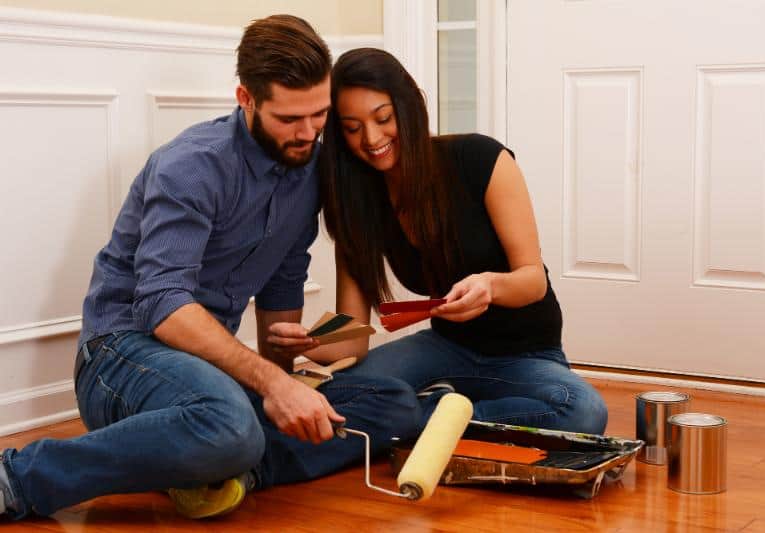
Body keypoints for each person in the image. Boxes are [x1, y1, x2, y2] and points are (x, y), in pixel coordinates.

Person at [0, 20, 419, 522]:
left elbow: (283, 279)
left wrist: (285, 368)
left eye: (320, 113)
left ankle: (225, 472)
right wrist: (271, 384)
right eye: (290, 118)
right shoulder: (192, 166)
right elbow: (162, 305)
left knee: (393, 403)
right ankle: (17, 476)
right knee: (229, 424)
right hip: (121, 357)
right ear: (246, 97)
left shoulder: (310, 165)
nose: (309, 133)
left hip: (208, 373)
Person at [315, 48, 608, 435]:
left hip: (524, 355)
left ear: (409, 108)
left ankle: (423, 417)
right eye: (352, 128)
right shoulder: (356, 202)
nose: (371, 138)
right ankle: (439, 417)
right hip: (445, 350)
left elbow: (532, 280)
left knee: (582, 411)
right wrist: (303, 343)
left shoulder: (480, 159)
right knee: (334, 394)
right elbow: (350, 337)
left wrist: (489, 285)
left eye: (383, 118)